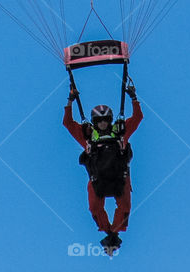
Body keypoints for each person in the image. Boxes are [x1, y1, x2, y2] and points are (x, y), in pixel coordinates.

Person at [63, 83, 142, 252]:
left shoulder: (121, 133)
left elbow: (137, 118)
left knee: (125, 207)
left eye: (106, 120)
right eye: (99, 120)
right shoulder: (87, 137)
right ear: (94, 122)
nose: (103, 123)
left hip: (119, 177)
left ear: (110, 120)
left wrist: (134, 98)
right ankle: (108, 232)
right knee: (95, 207)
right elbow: (68, 123)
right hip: (98, 178)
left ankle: (114, 232)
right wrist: (70, 101)